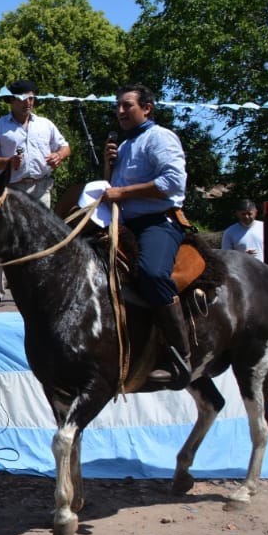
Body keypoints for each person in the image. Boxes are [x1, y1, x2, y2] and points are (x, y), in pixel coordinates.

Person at [102, 84, 191, 387]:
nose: (120, 111)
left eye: (127, 105)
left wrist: (122, 191)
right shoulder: (123, 146)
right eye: (118, 106)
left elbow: (172, 181)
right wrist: (107, 166)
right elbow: (111, 191)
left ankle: (180, 356)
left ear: (147, 107)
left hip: (158, 223)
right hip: (124, 224)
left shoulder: (160, 137)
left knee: (153, 273)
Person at [0, 79, 71, 304]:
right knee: (5, 235)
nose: (28, 103)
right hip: (11, 188)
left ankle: (42, 286)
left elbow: (65, 146)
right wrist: (7, 162)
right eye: (23, 99)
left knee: (42, 236)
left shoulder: (45, 124)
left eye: (31, 98)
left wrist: (60, 155)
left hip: (41, 186)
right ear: (11, 100)